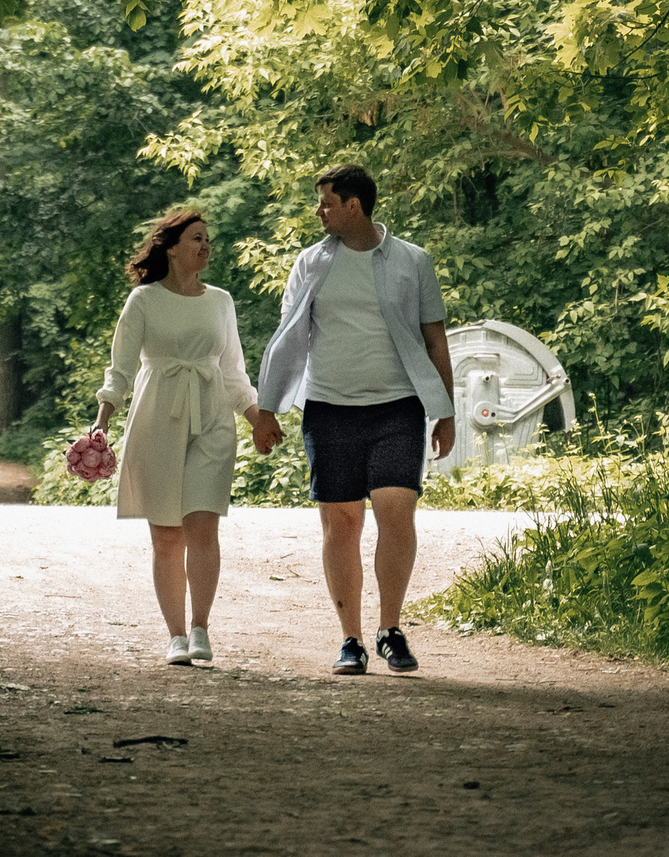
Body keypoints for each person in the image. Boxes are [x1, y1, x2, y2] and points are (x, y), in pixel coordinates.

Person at [252, 163, 456, 675]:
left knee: (395, 513)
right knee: (341, 523)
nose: (319, 211)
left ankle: (391, 629)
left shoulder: (412, 261)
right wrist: (267, 408)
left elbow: (436, 341)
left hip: (398, 406)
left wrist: (445, 411)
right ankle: (352, 639)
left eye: (325, 202)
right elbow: (288, 335)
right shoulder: (310, 263)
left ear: (353, 205)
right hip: (328, 408)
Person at [87, 210, 283, 667]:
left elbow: (234, 373)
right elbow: (120, 369)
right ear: (171, 247)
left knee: (203, 526)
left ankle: (200, 627)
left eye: (208, 239)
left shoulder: (221, 301)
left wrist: (258, 419)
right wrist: (102, 421)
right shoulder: (144, 300)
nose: (206, 246)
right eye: (197, 238)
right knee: (167, 536)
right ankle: (175, 635)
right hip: (157, 417)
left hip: (212, 418)